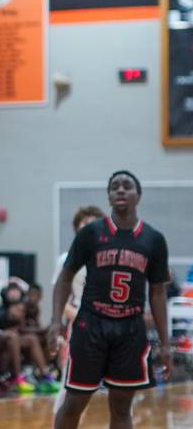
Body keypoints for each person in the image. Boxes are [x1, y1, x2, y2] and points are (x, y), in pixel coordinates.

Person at [49, 170, 171, 429]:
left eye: (127, 186)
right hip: (91, 325)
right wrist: (54, 321)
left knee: (121, 407)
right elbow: (64, 277)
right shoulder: (91, 233)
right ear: (108, 196)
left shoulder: (154, 239)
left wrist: (166, 342)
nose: (120, 190)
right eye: (114, 186)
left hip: (130, 329)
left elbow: (158, 293)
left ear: (138, 195)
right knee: (73, 402)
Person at [51, 205, 105, 414]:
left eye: (94, 224)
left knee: (121, 389)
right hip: (82, 325)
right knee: (69, 385)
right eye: (85, 224)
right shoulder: (66, 259)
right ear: (77, 229)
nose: (89, 228)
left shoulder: (112, 257)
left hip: (112, 326)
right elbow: (60, 299)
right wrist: (84, 319)